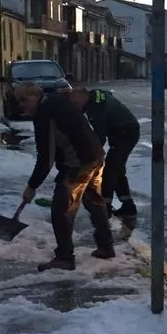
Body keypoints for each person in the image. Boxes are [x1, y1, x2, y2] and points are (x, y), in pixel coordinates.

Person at [14, 83, 115, 271]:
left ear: (36, 96)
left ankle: (65, 257)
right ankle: (106, 246)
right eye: (18, 101)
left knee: (61, 208)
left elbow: (46, 158)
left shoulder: (44, 114)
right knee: (94, 200)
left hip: (78, 163)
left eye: (24, 99)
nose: (21, 105)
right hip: (96, 156)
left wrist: (32, 186)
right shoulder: (57, 101)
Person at [68, 87, 140, 218]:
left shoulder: (95, 108)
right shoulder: (96, 95)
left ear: (84, 97)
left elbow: (99, 138)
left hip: (126, 133)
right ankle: (128, 205)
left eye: (77, 104)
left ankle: (105, 207)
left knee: (110, 170)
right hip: (123, 132)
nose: (76, 108)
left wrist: (88, 156)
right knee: (117, 170)